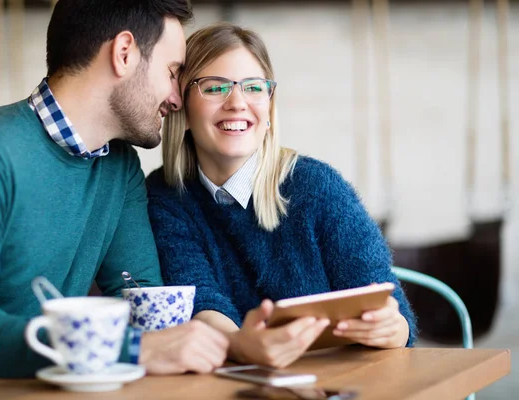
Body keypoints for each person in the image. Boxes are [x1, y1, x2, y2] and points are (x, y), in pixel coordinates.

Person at [0, 0, 228, 394]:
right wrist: (131, 350)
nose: (177, 98)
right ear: (124, 53)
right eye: (171, 73)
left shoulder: (120, 168)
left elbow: (141, 301)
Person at [146, 22, 417, 369]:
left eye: (254, 87)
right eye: (215, 88)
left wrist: (390, 327)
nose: (237, 103)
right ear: (181, 106)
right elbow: (202, 302)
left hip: (343, 381)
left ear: (270, 108)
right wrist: (243, 345)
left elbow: (392, 311)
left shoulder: (318, 187)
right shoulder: (165, 197)